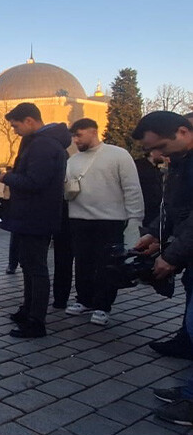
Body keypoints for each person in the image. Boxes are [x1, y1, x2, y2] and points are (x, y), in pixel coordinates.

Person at [129, 111, 193, 425]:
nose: (158, 154)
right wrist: (155, 234)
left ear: (183, 131)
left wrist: (172, 255)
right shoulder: (181, 161)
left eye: (163, 146)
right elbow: (176, 207)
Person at [0, 102, 70, 338]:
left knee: (36, 268)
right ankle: (28, 310)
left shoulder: (43, 145)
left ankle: (36, 321)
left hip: (36, 216)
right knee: (28, 265)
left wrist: (7, 178)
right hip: (31, 215)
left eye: (16, 126)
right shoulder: (40, 143)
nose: (14, 130)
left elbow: (36, 182)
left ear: (29, 121)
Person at [64, 118, 144, 326]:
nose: (75, 140)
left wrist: (135, 217)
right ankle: (84, 300)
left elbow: (131, 188)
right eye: (73, 136)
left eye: (79, 135)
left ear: (93, 132)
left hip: (110, 220)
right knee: (82, 263)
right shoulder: (73, 161)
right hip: (79, 219)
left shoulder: (118, 155)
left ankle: (102, 306)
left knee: (107, 265)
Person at [135, 148, 167, 231]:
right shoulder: (139, 167)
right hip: (143, 216)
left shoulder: (155, 170)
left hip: (153, 217)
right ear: (152, 152)